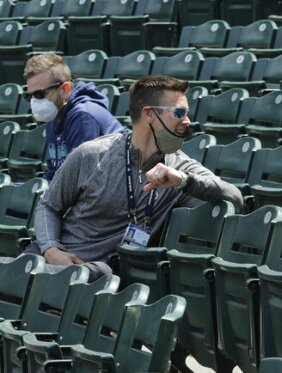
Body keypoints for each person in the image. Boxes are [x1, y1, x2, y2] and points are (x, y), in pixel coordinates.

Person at [31, 76, 244, 279]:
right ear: (149, 114)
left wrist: (183, 180)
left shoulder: (180, 167)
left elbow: (234, 197)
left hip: (95, 277)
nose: (187, 121)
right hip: (50, 261)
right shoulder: (92, 154)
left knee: (100, 273)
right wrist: (51, 249)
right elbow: (48, 206)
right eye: (179, 112)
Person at [23, 53, 125, 181]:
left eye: (39, 94)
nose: (34, 101)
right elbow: (53, 172)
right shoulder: (53, 118)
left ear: (65, 89)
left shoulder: (83, 117)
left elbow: (82, 179)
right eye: (29, 96)